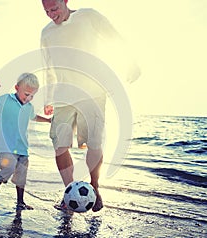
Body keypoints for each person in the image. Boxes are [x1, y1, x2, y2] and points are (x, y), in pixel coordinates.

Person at [40, 0, 140, 212]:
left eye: (54, 8)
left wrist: (130, 63)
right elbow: (48, 66)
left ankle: (94, 188)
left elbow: (114, 37)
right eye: (46, 10)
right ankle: (70, 193)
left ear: (65, 1)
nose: (50, 14)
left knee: (93, 144)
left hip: (92, 91)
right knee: (59, 146)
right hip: (63, 95)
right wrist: (48, 98)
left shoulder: (88, 16)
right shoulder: (46, 33)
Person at [0, 73, 51, 210]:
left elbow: (34, 117)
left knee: (21, 175)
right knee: (8, 168)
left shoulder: (29, 107)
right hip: (5, 145)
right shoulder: (5, 100)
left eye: (32, 96)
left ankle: (20, 202)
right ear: (16, 88)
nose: (28, 98)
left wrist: (48, 120)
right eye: (26, 94)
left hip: (22, 146)